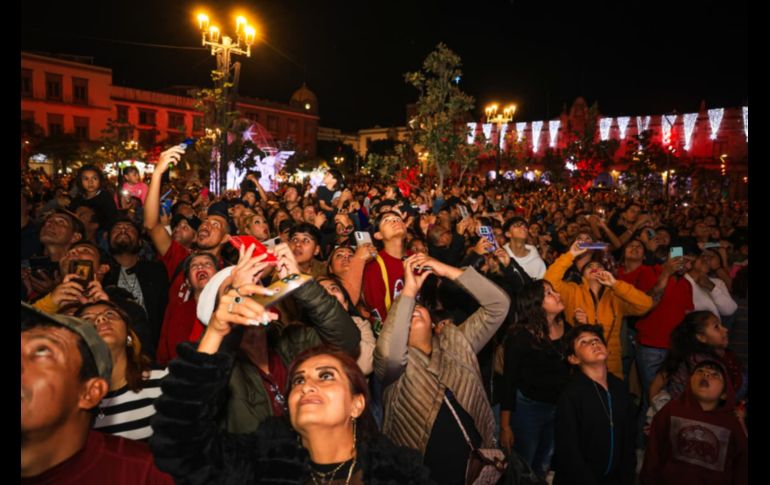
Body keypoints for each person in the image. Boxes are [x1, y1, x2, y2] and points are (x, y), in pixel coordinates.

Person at [150, 306, 429, 482]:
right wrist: (218, 331)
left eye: (326, 376)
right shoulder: (262, 461)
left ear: (357, 404)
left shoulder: (401, 473)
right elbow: (179, 443)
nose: (307, 386)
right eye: (297, 380)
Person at [194, 243, 362, 434]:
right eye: (232, 290)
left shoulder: (291, 341)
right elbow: (191, 412)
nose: (248, 292)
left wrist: (302, 284)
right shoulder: (221, 369)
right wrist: (221, 327)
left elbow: (347, 342)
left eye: (255, 285)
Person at [374, 254, 510, 484]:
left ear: (434, 322)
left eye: (418, 307)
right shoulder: (392, 371)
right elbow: (390, 353)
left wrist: (446, 270)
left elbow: (499, 305)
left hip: (475, 470)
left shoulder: (456, 344)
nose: (412, 309)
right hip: (424, 475)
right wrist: (408, 292)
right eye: (404, 311)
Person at [21, 302, 172, 484]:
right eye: (88, 320)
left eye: (42, 352)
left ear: (90, 392)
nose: (100, 320)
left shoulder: (143, 474)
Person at [545, 241, 653, 379]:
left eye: (599, 266)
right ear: (583, 275)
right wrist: (570, 254)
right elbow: (549, 280)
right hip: (581, 361)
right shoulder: (572, 291)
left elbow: (646, 304)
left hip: (611, 364)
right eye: (590, 266)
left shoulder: (615, 296)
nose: (595, 267)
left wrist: (615, 284)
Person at [500, 280, 572, 478]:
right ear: (536, 304)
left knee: (544, 463)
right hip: (529, 410)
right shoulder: (520, 336)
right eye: (549, 293)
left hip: (558, 408)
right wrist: (505, 426)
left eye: (554, 290)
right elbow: (509, 381)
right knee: (524, 466)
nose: (557, 294)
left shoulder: (568, 327)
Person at [553, 325, 637, 485]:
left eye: (596, 339)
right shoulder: (571, 394)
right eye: (583, 342)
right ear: (573, 359)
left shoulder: (619, 387)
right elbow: (568, 450)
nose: (593, 343)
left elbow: (629, 439)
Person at [641, 360, 747, 485]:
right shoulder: (671, 410)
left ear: (724, 394)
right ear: (689, 381)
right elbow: (654, 452)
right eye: (700, 371)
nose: (706, 375)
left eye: (714, 375)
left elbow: (741, 465)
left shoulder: (731, 423)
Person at [75, 301, 168, 441]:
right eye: (87, 319)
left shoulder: (164, 383)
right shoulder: (71, 402)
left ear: (129, 335)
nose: (101, 319)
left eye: (110, 314)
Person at [103, 218, 169, 360]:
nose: (122, 230)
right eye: (117, 229)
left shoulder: (156, 270)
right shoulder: (101, 274)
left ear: (140, 242)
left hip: (152, 352)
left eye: (129, 229)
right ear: (108, 242)